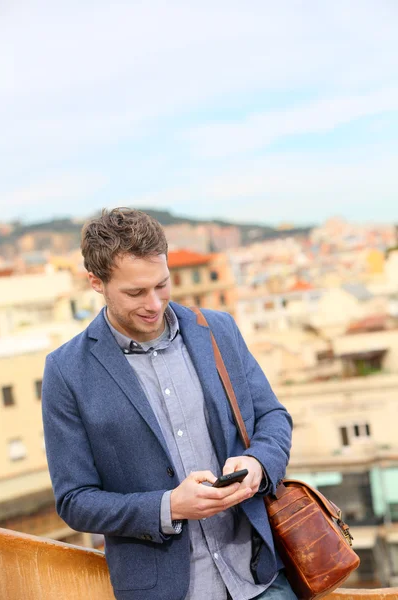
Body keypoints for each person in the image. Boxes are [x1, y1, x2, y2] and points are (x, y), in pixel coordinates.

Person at [42, 208, 296, 600]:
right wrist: (169, 506)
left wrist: (257, 464)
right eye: (135, 292)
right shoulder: (66, 370)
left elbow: (272, 418)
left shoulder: (218, 329)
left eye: (162, 284)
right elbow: (75, 501)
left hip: (259, 576)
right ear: (96, 282)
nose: (155, 303)